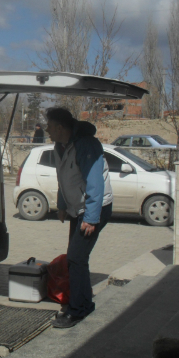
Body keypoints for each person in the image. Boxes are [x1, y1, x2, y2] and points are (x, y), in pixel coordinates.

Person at [45, 107, 113, 328]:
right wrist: (62, 205)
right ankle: (83, 304)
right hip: (78, 208)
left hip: (95, 208)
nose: (47, 130)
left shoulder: (85, 144)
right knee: (77, 259)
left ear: (60, 127)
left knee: (75, 258)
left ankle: (77, 310)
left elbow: (96, 182)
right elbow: (62, 177)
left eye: (50, 126)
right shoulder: (60, 146)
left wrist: (92, 218)